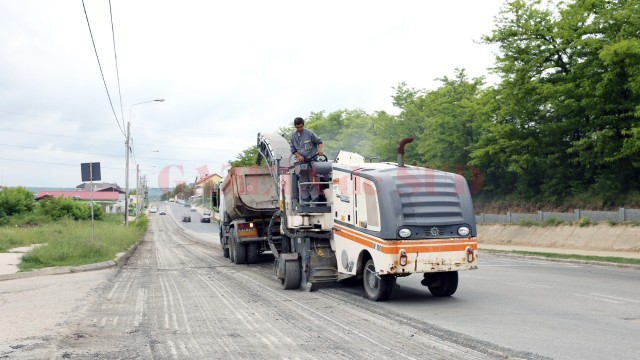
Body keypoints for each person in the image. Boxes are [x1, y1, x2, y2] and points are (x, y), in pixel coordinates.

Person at [290, 117, 323, 203]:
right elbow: (293, 149)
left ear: (303, 125)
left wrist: (319, 150)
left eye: (300, 127)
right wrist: (298, 155)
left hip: (312, 161)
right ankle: (305, 200)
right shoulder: (293, 136)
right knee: (303, 182)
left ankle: (314, 200)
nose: (299, 129)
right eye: (297, 127)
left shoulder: (309, 133)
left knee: (314, 181)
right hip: (302, 162)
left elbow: (319, 142)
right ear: (295, 127)